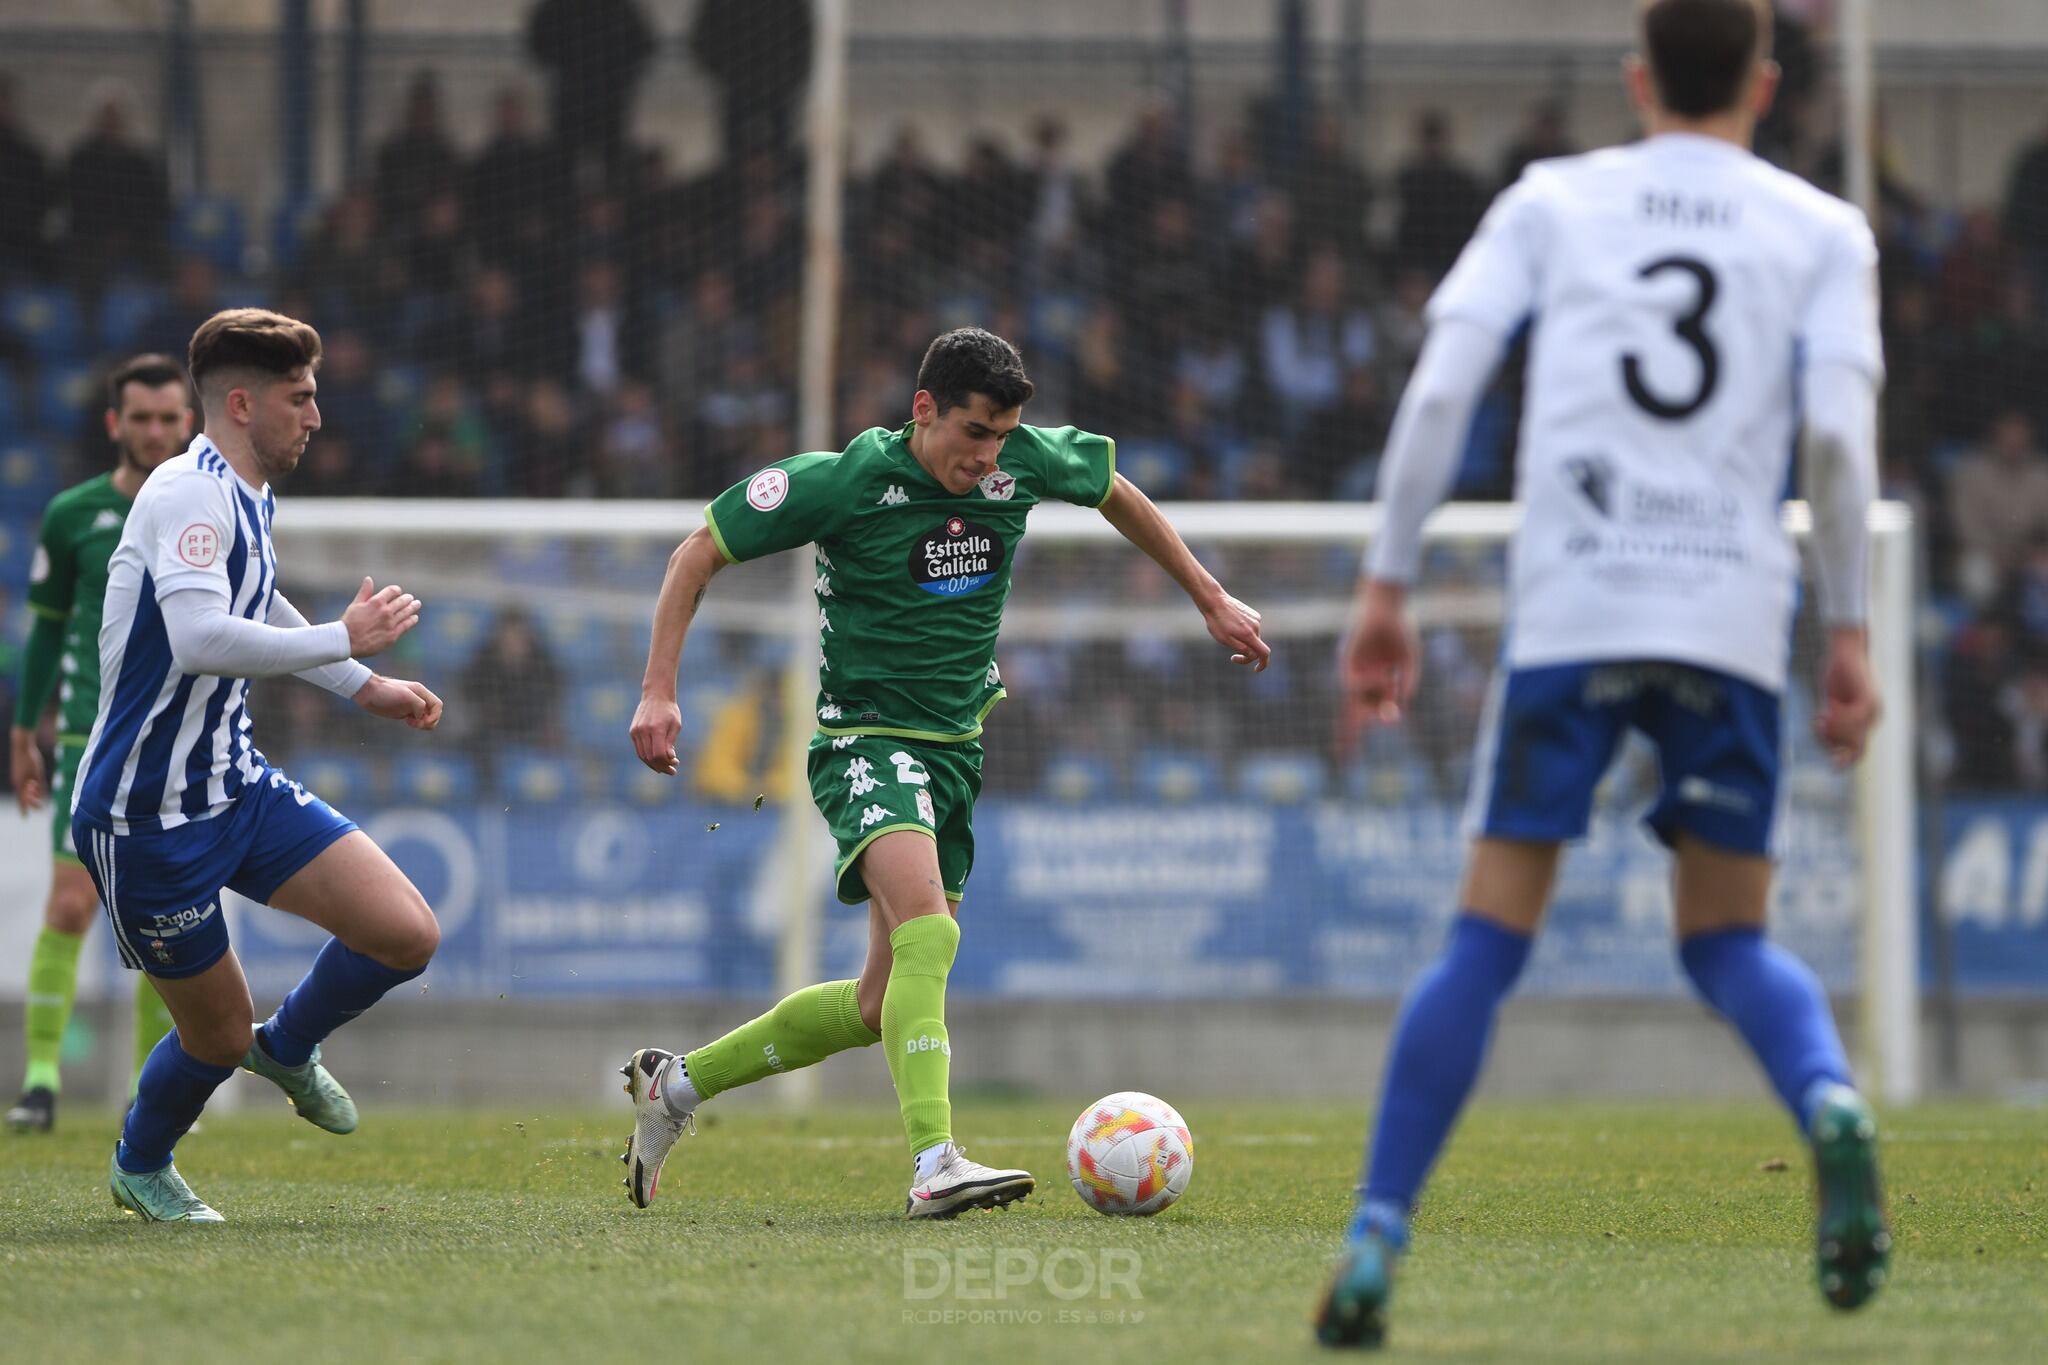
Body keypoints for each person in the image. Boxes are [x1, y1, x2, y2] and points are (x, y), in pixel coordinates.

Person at [1318, 0, 1891, 1345]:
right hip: (1731, 618)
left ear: (1637, 79)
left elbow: (1444, 390)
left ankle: (1376, 1236)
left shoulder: (1551, 203)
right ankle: (1830, 1102)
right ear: (1763, 79)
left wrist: (1387, 585)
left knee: (1486, 937)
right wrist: (1850, 629)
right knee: (1730, 938)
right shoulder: (1822, 231)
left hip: (1576, 607)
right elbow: (1842, 442)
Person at [620, 328, 1268, 1218]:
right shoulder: (846, 481)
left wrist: (1210, 595)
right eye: (973, 432)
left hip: (956, 749)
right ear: (923, 410)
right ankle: (935, 1163)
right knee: (931, 929)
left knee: (882, 1002)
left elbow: (1115, 490)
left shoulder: (1021, 461)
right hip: (864, 742)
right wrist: (659, 690)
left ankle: (676, 1086)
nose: (987, 455)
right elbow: (697, 552)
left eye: (1001, 436)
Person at [73, 309, 444, 1222]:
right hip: (146, 814)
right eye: (301, 397)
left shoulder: (245, 491)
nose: (316, 417)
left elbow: (256, 601)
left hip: (233, 783)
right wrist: (343, 634)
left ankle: (288, 1047)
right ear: (242, 403)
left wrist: (363, 683)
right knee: (213, 1031)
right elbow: (199, 638)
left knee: (405, 931)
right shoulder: (183, 494)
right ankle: (142, 1162)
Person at [6, 356, 189, 1133]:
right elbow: (46, 631)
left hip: (178, 743)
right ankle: (41, 1082)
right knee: (72, 904)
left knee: (170, 921)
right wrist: (23, 731)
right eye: (140, 418)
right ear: (115, 424)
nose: (154, 431)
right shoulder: (72, 514)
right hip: (88, 738)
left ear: (190, 423)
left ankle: (150, 1092)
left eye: (168, 418)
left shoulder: (205, 511)